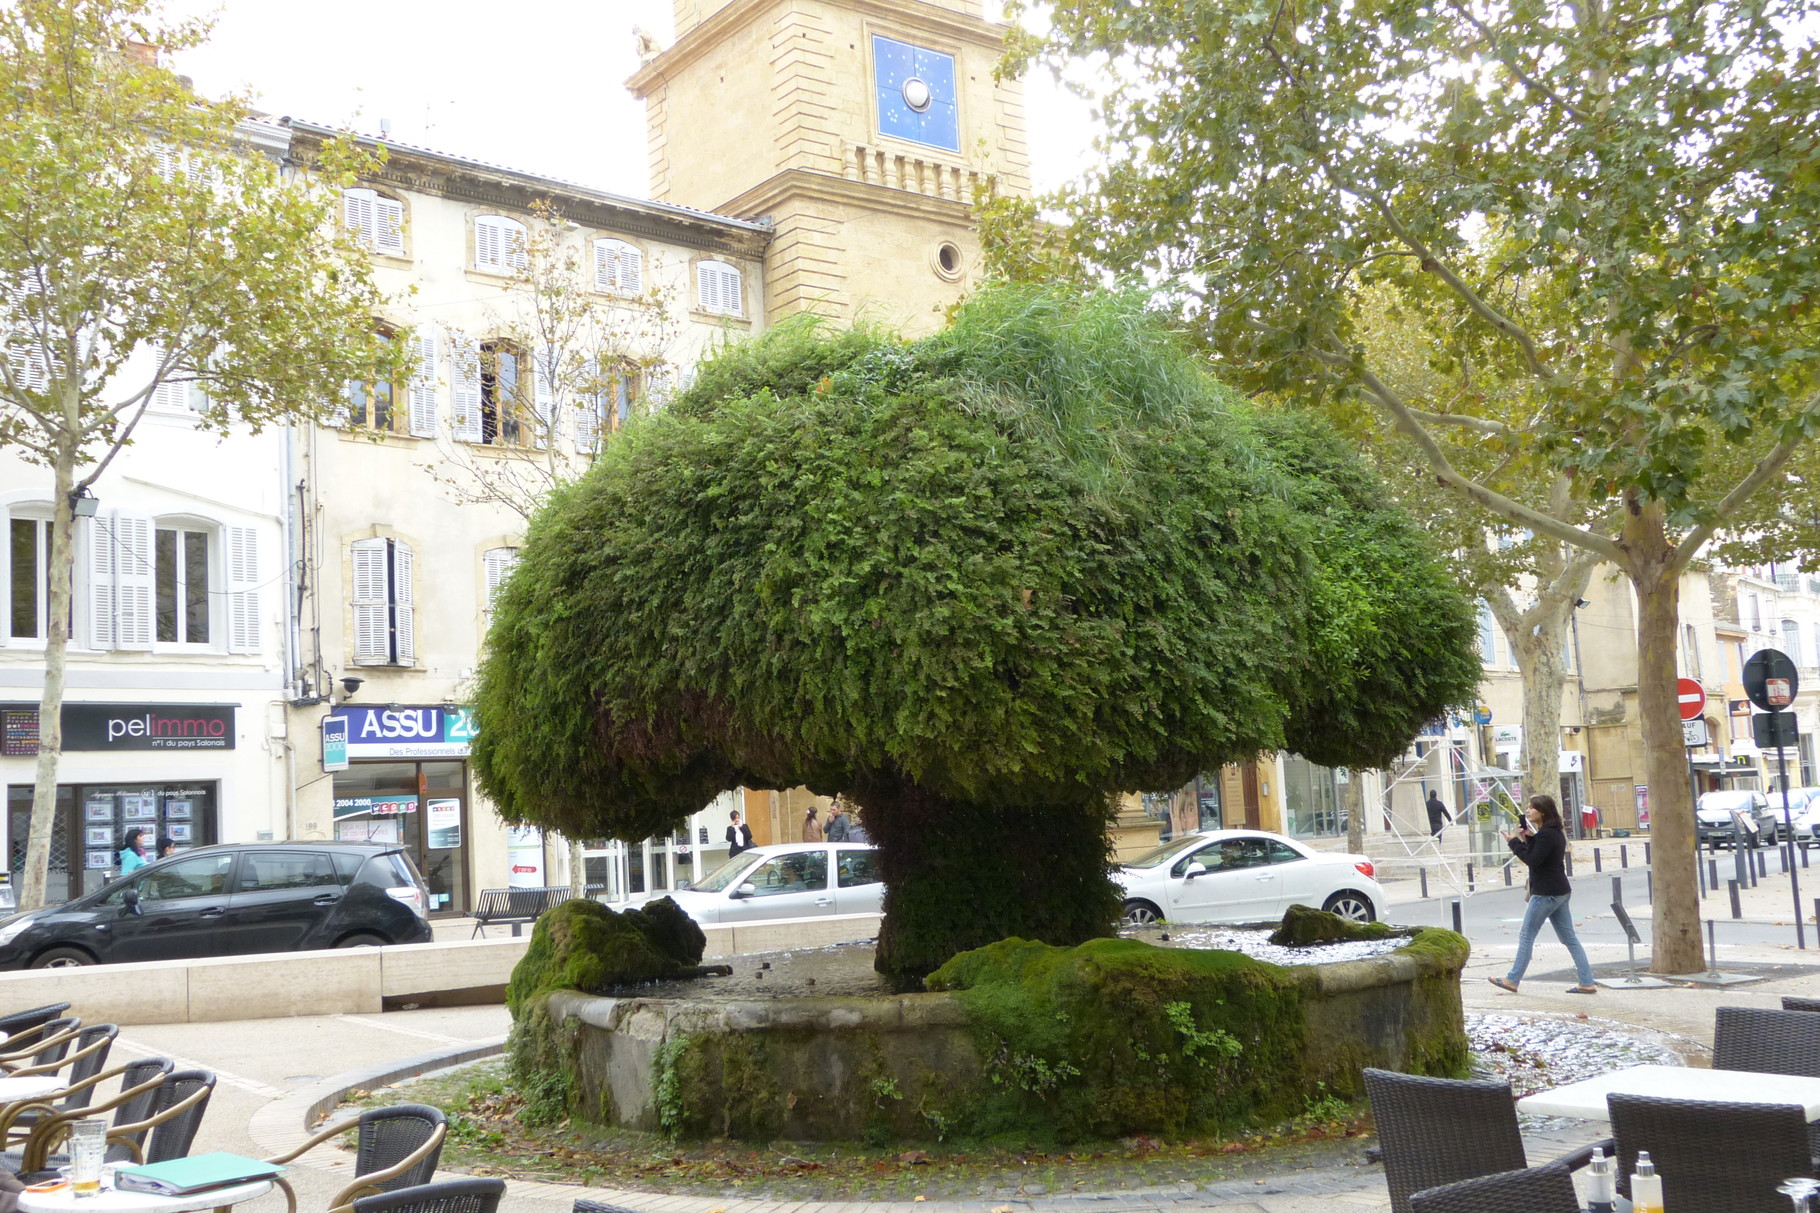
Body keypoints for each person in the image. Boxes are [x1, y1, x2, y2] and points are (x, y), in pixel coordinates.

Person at [1490, 793, 1597, 995]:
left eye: (1532, 807)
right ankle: (1587, 982)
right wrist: (1527, 839)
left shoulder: (1547, 834)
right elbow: (1540, 854)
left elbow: (1533, 860)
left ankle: (1512, 980)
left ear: (1543, 812)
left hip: (1546, 893)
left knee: (1526, 936)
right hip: (1560, 891)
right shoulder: (1552, 833)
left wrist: (1514, 842)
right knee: (1569, 939)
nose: (1527, 810)